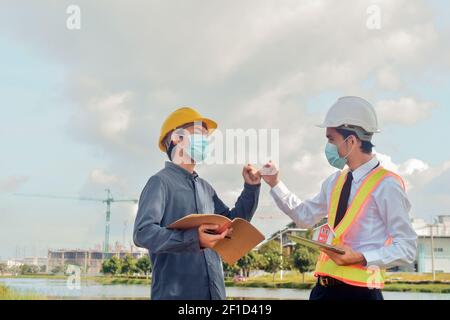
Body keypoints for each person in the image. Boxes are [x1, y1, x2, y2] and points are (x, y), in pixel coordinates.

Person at [260, 96, 417, 300]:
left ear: (351, 141)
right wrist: (274, 184)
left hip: (360, 293)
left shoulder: (387, 185)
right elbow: (304, 217)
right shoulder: (335, 181)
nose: (328, 146)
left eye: (331, 139)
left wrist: (362, 258)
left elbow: (407, 247)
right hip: (323, 290)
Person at [133, 107, 261, 300]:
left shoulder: (205, 188)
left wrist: (251, 189)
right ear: (177, 138)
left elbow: (232, 224)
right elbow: (142, 233)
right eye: (199, 134)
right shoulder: (160, 182)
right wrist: (193, 239)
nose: (205, 142)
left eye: (206, 137)